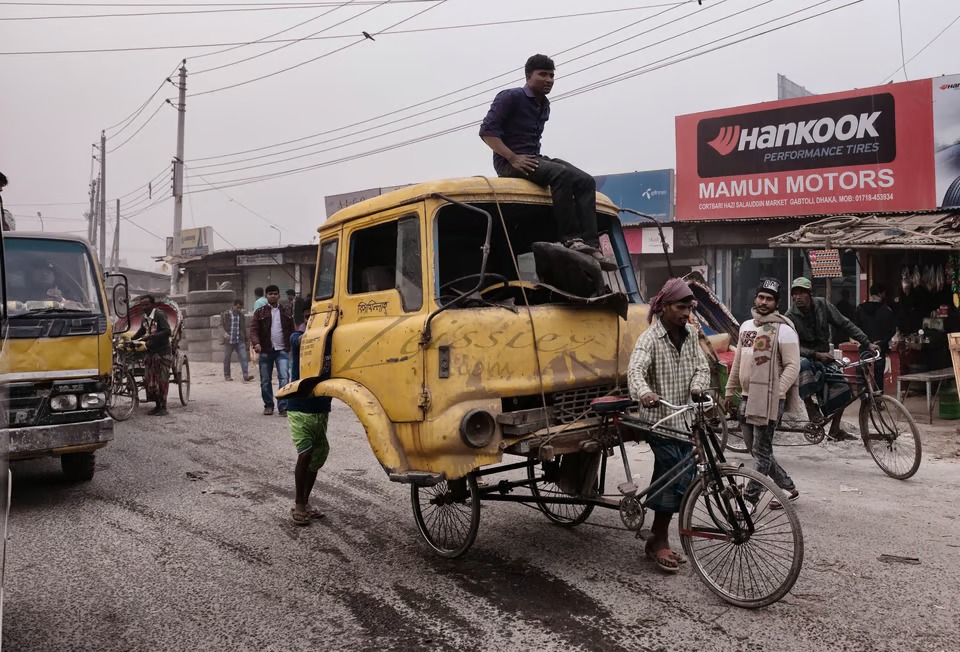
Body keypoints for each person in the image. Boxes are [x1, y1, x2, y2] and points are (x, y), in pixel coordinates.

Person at [479, 54, 616, 272]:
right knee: (560, 174)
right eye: (542, 74)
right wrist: (512, 158)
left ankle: (591, 244)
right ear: (528, 76)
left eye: (552, 75)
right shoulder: (510, 97)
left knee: (585, 181)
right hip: (510, 162)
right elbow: (487, 132)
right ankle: (571, 240)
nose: (549, 79)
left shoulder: (544, 104)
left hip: (534, 157)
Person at [628, 278, 710, 574]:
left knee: (680, 475)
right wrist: (645, 393)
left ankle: (657, 536)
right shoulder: (649, 338)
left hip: (685, 418)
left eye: (689, 307)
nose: (686, 312)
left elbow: (702, 366)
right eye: (680, 307)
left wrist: (699, 387)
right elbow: (635, 370)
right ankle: (659, 539)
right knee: (674, 472)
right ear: (663, 307)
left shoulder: (690, 334)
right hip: (659, 421)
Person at [724, 279, 801, 509]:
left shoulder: (784, 330)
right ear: (755, 298)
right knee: (756, 450)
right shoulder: (746, 326)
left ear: (777, 303)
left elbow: (792, 366)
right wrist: (730, 390)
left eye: (769, 299)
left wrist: (775, 392)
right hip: (747, 396)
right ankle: (788, 487)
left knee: (761, 451)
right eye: (761, 297)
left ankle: (750, 499)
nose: (764, 302)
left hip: (769, 400)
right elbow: (738, 361)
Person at [786, 277, 876, 424]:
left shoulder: (822, 305)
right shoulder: (790, 316)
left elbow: (845, 323)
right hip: (805, 356)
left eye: (802, 292)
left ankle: (835, 429)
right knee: (803, 365)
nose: (797, 297)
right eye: (794, 293)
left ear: (810, 293)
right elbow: (791, 347)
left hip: (825, 356)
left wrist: (866, 342)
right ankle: (810, 407)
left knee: (843, 387)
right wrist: (815, 354)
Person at [287, 311, 332, 525]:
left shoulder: (332, 342)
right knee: (305, 453)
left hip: (321, 407)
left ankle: (305, 502)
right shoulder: (298, 338)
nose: (311, 321)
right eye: (307, 317)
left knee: (317, 456)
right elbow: (300, 339)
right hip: (299, 406)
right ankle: (298, 503)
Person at [250, 284, 294, 416]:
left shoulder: (287, 311)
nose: (273, 296)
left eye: (275, 294)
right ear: (266, 296)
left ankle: (283, 407)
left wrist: (292, 345)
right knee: (265, 380)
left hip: (282, 350)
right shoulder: (259, 312)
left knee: (284, 378)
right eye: (270, 294)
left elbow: (292, 330)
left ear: (279, 296)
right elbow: (253, 330)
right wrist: (256, 343)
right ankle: (268, 405)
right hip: (265, 350)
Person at [132, 295, 172, 416]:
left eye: (146, 305)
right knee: (150, 381)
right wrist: (132, 339)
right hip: (150, 352)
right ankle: (157, 406)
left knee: (162, 381)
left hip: (163, 353)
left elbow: (167, 331)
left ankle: (163, 408)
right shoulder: (145, 317)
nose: (144, 307)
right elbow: (142, 330)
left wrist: (150, 337)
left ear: (153, 305)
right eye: (142, 305)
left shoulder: (159, 315)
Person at [854, 282, 897, 393]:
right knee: (878, 374)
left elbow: (855, 328)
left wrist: (866, 341)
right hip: (880, 347)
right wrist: (882, 342)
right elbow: (892, 330)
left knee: (863, 373)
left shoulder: (860, 309)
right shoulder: (887, 310)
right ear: (881, 294)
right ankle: (877, 400)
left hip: (864, 346)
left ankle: (864, 397)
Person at [221, 300, 254, 382]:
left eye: (241, 308)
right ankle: (227, 375)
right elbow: (220, 325)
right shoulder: (226, 314)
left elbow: (243, 328)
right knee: (227, 358)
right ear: (234, 306)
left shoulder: (241, 316)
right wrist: (224, 333)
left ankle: (245, 375)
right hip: (229, 340)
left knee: (244, 357)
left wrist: (246, 339)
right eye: (238, 307)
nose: (239, 309)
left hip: (239, 340)